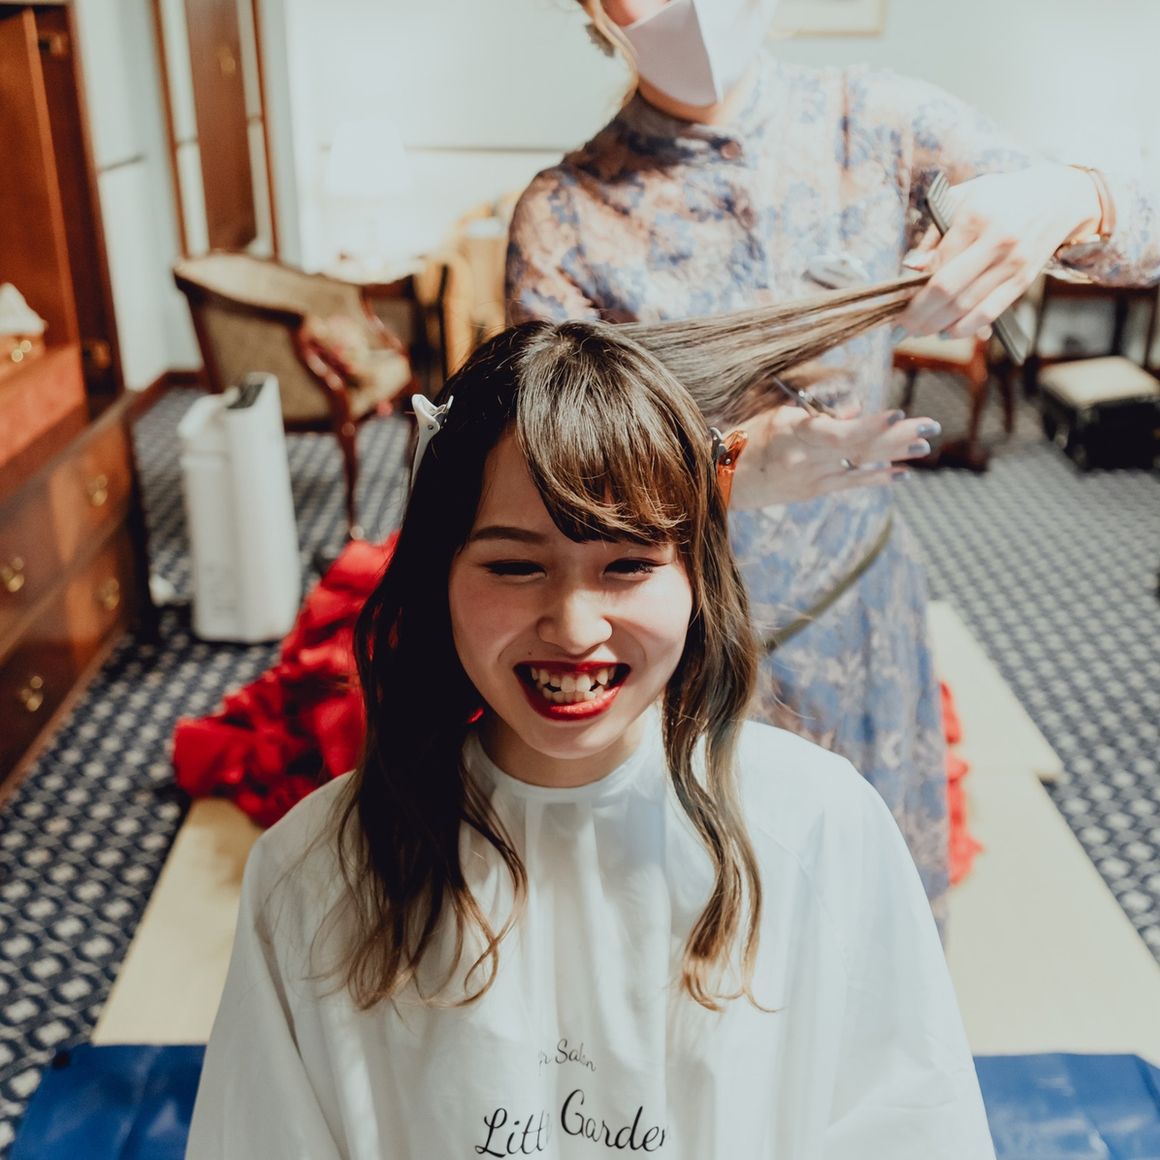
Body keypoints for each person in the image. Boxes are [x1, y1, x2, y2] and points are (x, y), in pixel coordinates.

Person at [186, 320, 995, 1158]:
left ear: (697, 576)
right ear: (439, 577)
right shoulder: (314, 874)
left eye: (628, 565)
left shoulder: (822, 829)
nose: (574, 629)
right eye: (514, 566)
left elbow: (908, 1124)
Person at [505, 0, 1160, 924]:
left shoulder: (877, 125)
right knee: (709, 925)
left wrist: (1069, 196)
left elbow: (1141, 219)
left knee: (870, 914)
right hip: (680, 647)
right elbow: (549, 469)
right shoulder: (566, 214)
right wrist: (727, 471)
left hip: (861, 611)